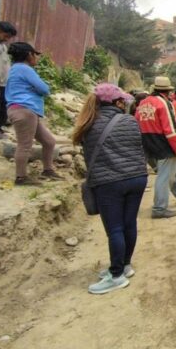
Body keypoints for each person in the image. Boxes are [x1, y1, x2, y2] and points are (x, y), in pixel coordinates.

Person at [72, 83, 146, 294]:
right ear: (117, 102)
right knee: (129, 223)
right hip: (137, 178)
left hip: (109, 182)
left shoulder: (88, 124)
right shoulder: (130, 120)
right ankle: (125, 265)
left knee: (115, 229)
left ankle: (116, 275)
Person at [135, 76, 176, 219]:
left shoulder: (143, 103)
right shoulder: (164, 104)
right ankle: (159, 208)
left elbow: (136, 122)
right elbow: (170, 129)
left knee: (169, 172)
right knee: (164, 176)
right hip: (162, 142)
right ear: (167, 91)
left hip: (146, 141)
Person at [4, 42, 61, 185]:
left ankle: (48, 170)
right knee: (24, 145)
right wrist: (36, 89)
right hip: (25, 110)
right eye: (35, 54)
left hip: (22, 110)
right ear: (29, 55)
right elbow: (44, 89)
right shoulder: (24, 69)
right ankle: (21, 177)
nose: (37, 57)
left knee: (49, 142)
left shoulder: (14, 68)